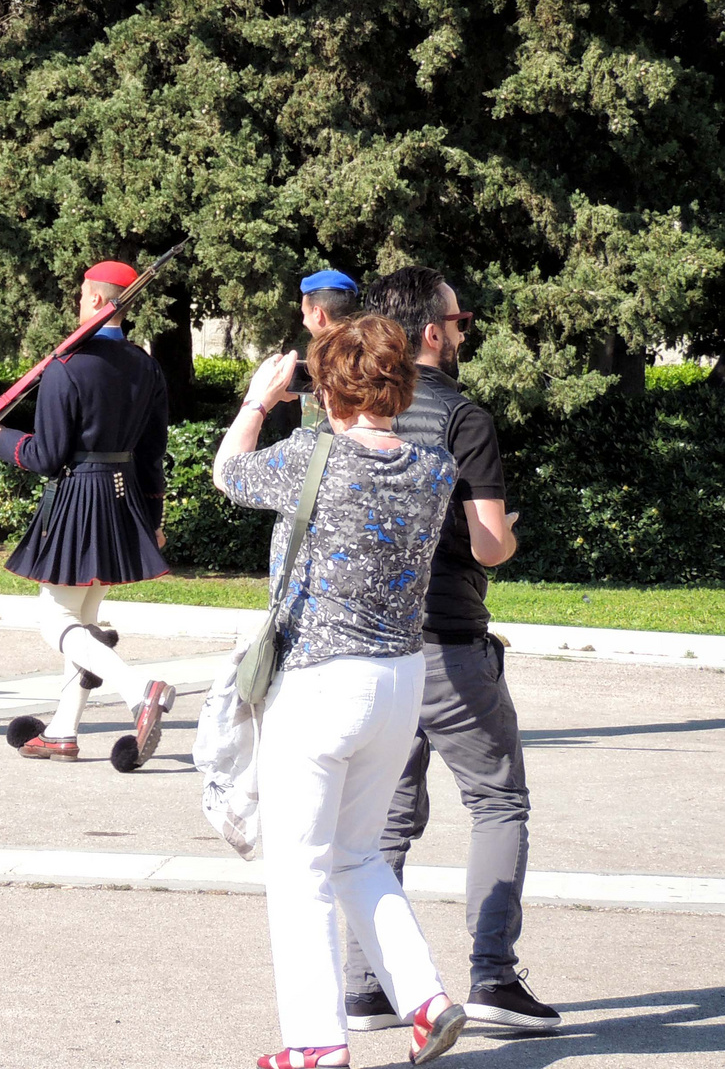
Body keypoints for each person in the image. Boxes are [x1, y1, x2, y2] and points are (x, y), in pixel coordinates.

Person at [215, 314, 467, 1068]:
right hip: (398, 679)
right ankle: (424, 1000)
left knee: (298, 871)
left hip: (320, 681)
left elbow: (227, 474)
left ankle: (316, 1046)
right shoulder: (433, 469)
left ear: (326, 387)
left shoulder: (306, 456)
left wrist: (258, 401)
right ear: (402, 384)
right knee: (357, 856)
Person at [340, 266, 559, 1032]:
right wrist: (511, 532)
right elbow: (489, 544)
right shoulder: (462, 416)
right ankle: (493, 978)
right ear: (432, 331)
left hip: (365, 646)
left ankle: (364, 985)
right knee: (498, 800)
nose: (463, 332)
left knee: (383, 817)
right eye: (459, 321)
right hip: (448, 640)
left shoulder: (342, 411)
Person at [0, 261, 176, 771]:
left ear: (101, 303)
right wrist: (152, 516)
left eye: (84, 296)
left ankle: (138, 690)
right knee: (84, 620)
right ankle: (62, 730)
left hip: (79, 495)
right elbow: (152, 452)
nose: (77, 304)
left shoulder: (67, 365)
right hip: (123, 497)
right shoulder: (145, 366)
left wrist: (1, 439)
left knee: (55, 619)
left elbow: (47, 456)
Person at [300, 269, 359, 336]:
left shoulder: (328, 346)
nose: (304, 321)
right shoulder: (369, 344)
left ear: (317, 313)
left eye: (304, 313)